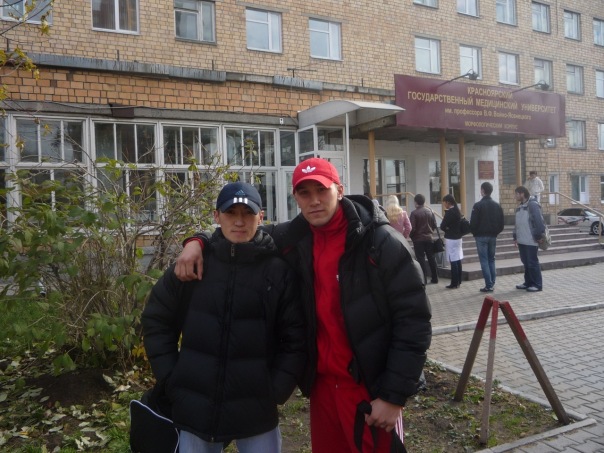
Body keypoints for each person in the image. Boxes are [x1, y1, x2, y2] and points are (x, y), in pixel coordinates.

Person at [175, 158, 432, 453]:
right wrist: (197, 241)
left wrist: (393, 395)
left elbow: (414, 320)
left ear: (339, 190)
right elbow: (239, 233)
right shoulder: (293, 238)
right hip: (323, 387)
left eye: (322, 190)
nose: (314, 201)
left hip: (369, 387)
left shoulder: (381, 242)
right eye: (305, 193)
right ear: (295, 198)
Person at [141, 181, 306, 453]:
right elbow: (157, 319)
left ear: (261, 217)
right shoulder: (193, 264)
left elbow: (296, 337)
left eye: (247, 213)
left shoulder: (277, 271)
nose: (239, 221)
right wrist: (171, 378)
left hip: (257, 408)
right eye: (231, 213)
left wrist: (276, 389)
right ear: (217, 216)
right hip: (196, 407)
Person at [470, 182, 505, 293]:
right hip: (492, 236)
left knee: (484, 260)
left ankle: (489, 285)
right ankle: (492, 282)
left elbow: (473, 223)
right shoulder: (497, 205)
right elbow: (501, 223)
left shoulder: (478, 205)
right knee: (491, 259)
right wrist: (495, 232)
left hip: (481, 236)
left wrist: (475, 233)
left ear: (482, 190)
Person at [513, 186, 545, 292]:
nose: (515, 196)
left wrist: (538, 236)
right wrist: (515, 236)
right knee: (526, 262)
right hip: (522, 239)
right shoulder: (520, 206)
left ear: (522, 194)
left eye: (516, 194)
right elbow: (517, 223)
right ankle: (528, 283)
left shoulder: (533, 205)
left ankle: (537, 284)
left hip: (531, 239)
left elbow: (539, 221)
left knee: (532, 262)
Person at [409, 193, 439, 284]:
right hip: (429, 238)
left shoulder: (414, 213)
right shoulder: (430, 211)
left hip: (418, 239)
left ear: (416, 202)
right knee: (431, 258)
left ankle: (423, 279)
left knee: (421, 259)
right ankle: (435, 278)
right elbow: (434, 225)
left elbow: (412, 228)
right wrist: (430, 232)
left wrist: (411, 236)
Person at [440, 194, 464, 289]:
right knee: (458, 259)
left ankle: (454, 283)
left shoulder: (449, 212)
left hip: (451, 238)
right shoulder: (458, 211)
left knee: (453, 260)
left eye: (444, 203)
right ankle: (459, 280)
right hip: (458, 238)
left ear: (448, 202)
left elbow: (442, 226)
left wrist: (447, 228)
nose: (444, 205)